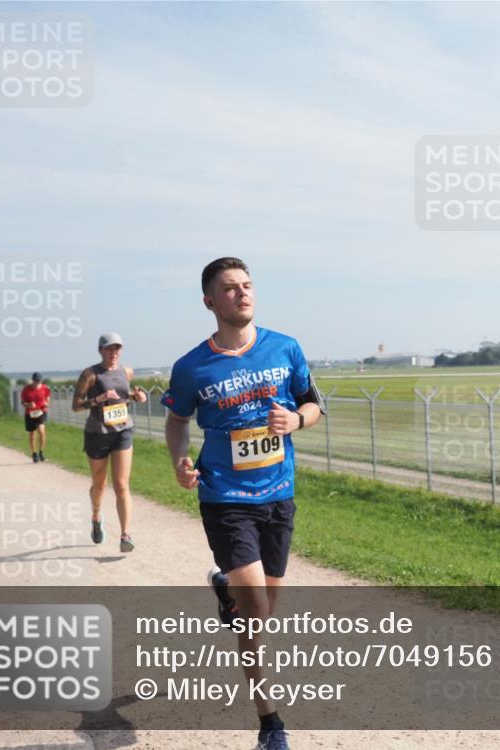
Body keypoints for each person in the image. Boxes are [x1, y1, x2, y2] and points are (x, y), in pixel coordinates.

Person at [162, 257, 325, 750]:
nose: (242, 293)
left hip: (278, 495)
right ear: (210, 301)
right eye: (231, 288)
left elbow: (314, 404)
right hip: (225, 498)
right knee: (255, 608)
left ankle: (226, 591)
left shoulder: (285, 347)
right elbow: (177, 421)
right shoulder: (192, 367)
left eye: (247, 285)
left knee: (264, 609)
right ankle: (270, 724)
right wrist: (180, 460)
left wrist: (296, 421)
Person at [72, 333, 147, 553]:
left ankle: (126, 535)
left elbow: (123, 396)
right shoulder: (90, 374)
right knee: (99, 483)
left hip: (122, 431)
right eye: (108, 348)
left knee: (121, 484)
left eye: (117, 348)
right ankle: (96, 516)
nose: (113, 352)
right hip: (97, 433)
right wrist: (98, 399)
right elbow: (76, 406)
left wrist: (137, 396)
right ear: (100, 350)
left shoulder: (127, 371)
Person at [21, 372, 51, 463]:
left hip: (41, 412)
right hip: (30, 413)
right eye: (36, 381)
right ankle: (34, 454)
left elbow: (48, 398)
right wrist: (28, 405)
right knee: (32, 435)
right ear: (32, 380)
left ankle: (41, 452)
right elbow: (22, 402)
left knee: (41, 431)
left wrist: (47, 404)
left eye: (39, 381)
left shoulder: (45, 388)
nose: (37, 382)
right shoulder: (26, 389)